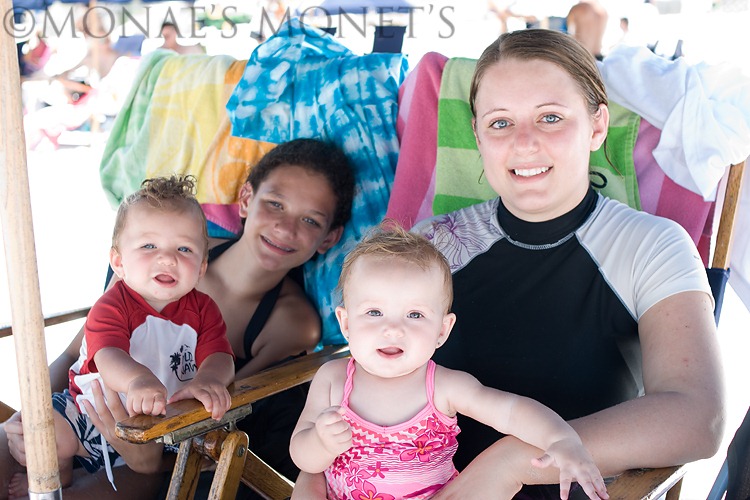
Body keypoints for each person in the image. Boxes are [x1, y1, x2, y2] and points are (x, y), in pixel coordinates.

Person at [294, 29, 725, 498]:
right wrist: (314, 474)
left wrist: (513, 461)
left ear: (597, 126)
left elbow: (699, 416)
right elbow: (360, 386)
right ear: (477, 134)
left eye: (551, 117)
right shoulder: (433, 247)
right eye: (500, 123)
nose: (524, 143)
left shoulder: (650, 245)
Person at [0, 138, 355, 499]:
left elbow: (214, 405)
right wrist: (34, 410)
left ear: (330, 237)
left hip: (166, 452)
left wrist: (149, 455)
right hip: (81, 410)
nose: (284, 226)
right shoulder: (152, 249)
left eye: (310, 219)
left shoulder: (290, 321)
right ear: (246, 199)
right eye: (274, 203)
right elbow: (79, 351)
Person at [290, 223, 608, 500]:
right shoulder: (333, 379)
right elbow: (303, 457)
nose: (393, 328)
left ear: (442, 331)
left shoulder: (443, 386)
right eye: (374, 312)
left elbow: (510, 412)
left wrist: (561, 439)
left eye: (415, 315)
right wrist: (320, 442)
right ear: (346, 324)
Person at [4, 175, 235, 495]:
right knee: (51, 433)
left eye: (184, 248)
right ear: (118, 262)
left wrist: (209, 377)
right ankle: (60, 474)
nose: (167, 258)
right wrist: (136, 380)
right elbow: (107, 354)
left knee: (201, 447)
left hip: (160, 426)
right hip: (88, 410)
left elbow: (220, 354)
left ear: (202, 266)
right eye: (149, 246)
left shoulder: (204, 309)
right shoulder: (112, 305)